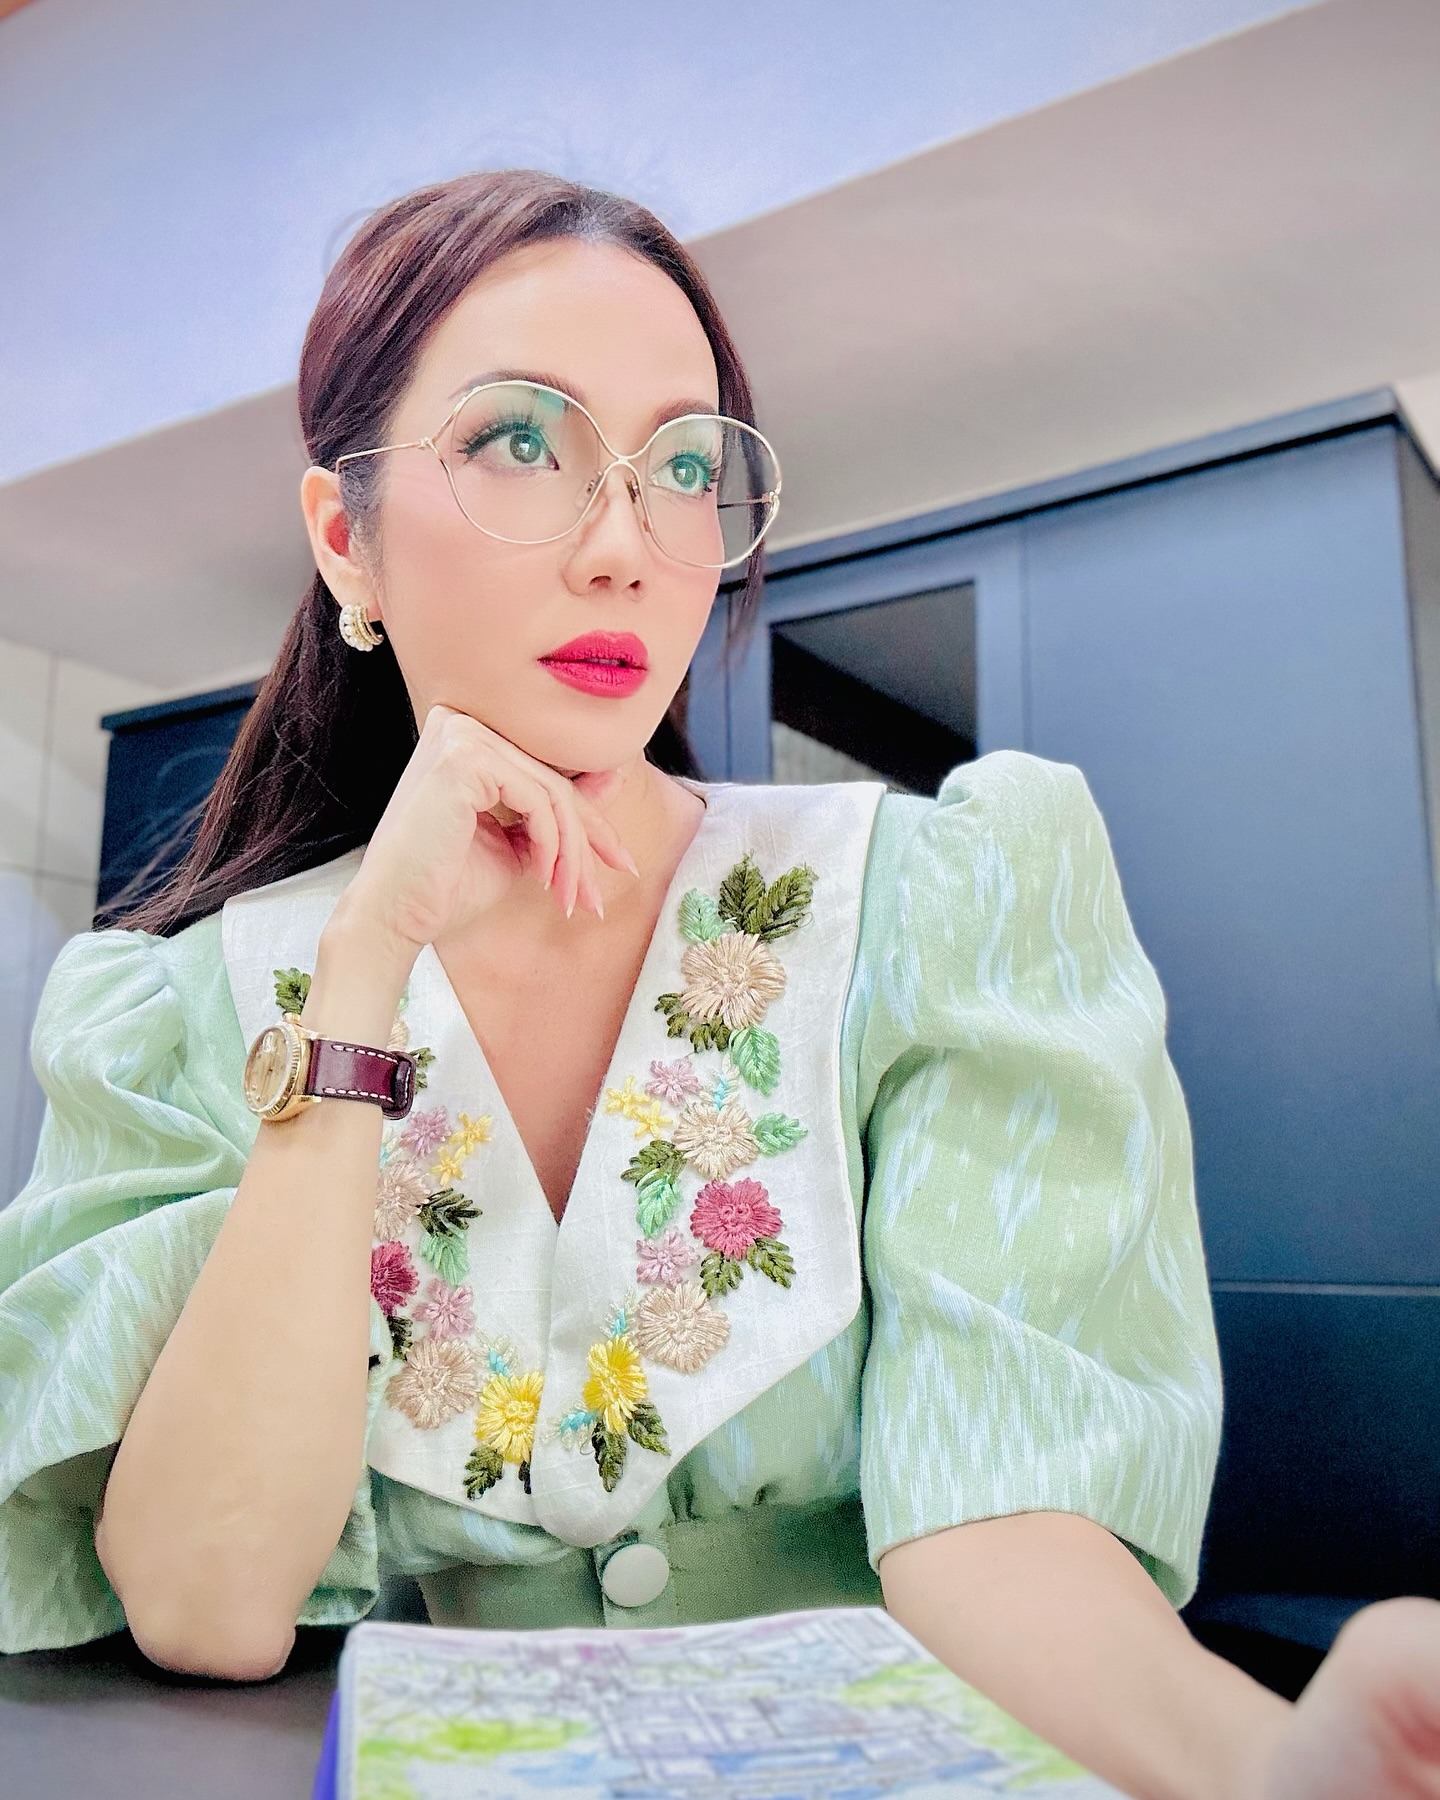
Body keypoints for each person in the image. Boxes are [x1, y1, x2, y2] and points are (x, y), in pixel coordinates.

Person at [0, 169, 1435, 1799]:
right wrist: (362, 971)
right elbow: (206, 1602)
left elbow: (999, 1525)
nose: (625, 546)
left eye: (684, 467)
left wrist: (1270, 1766)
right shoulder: (198, 1002)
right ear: (349, 538)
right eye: (519, 441)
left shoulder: (923, 910)